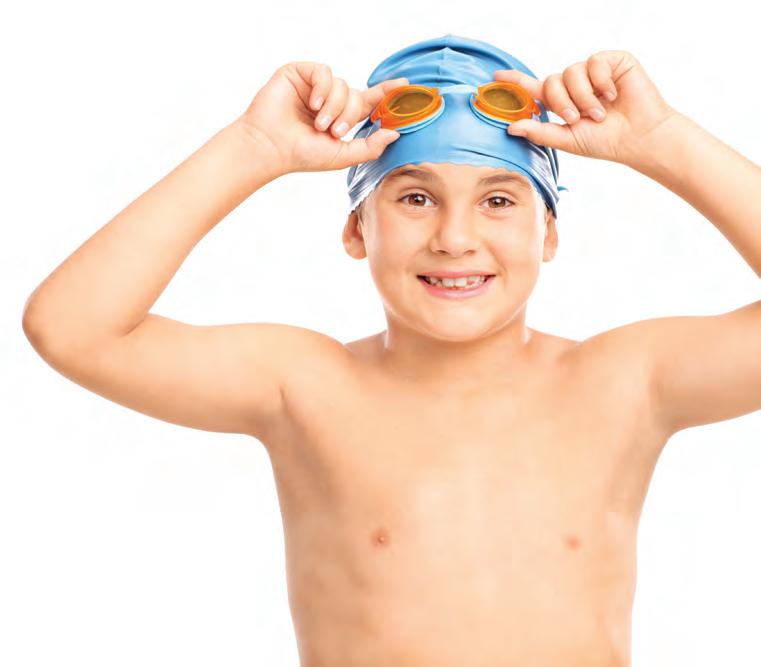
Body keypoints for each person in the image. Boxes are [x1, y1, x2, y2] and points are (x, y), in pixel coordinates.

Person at [21, 33, 761, 667]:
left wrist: (659, 138)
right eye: (414, 197)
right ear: (356, 230)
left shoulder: (621, 384)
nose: (455, 238)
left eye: (498, 200)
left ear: (549, 234)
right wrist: (253, 148)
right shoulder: (305, 387)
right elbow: (73, 328)